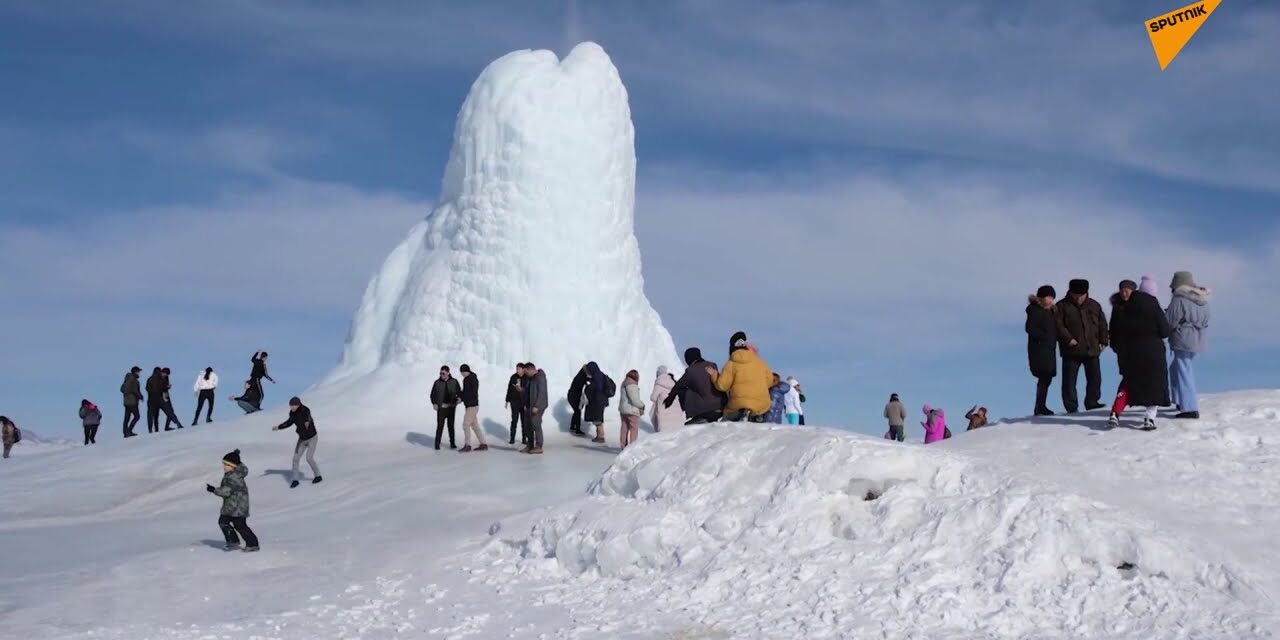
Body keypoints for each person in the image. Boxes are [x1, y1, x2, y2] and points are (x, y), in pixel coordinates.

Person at [1108, 278, 1172, 430]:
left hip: (1131, 353)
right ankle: (1149, 419)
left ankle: (1115, 413)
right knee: (1155, 385)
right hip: (1153, 352)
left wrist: (1120, 349)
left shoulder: (1121, 308)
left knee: (1128, 382)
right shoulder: (1152, 304)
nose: (1124, 293)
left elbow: (1116, 333)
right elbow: (1164, 331)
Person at [1056, 279, 1109, 414]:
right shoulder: (1061, 306)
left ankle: (1092, 402)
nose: (1079, 298)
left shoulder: (1094, 305)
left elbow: (1103, 324)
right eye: (1076, 295)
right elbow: (1058, 326)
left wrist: (1103, 340)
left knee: (1095, 378)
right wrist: (1068, 339)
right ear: (1071, 293)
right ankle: (1071, 407)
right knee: (1069, 382)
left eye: (1082, 295)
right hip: (1071, 351)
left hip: (1091, 349)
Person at [1166, 271, 1211, 420]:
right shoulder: (1202, 299)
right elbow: (1206, 319)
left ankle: (1189, 408)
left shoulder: (1178, 299)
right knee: (1176, 369)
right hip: (1197, 339)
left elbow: (1170, 321)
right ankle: (1179, 400)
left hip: (1183, 338)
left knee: (1184, 371)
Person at [206, 449, 259, 552]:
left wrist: (214, 490)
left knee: (240, 526)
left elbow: (226, 491)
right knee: (223, 522)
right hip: (231, 506)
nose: (224, 467)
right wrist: (235, 455)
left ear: (233, 466)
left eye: (227, 464)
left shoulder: (233, 477)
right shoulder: (233, 473)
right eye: (224, 464)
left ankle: (253, 544)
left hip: (238, 507)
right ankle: (233, 541)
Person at [713, 331, 773, 421]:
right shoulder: (760, 362)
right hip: (762, 403)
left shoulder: (731, 364)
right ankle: (754, 415)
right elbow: (769, 381)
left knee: (725, 423)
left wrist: (714, 375)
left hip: (739, 404)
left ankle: (745, 414)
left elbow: (722, 386)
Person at [665, 348, 724, 425]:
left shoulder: (691, 371)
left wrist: (669, 398)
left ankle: (700, 417)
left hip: (705, 409)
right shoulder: (713, 365)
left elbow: (678, 386)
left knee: (684, 390)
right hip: (720, 406)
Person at [273, 396, 321, 488]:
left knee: (309, 458)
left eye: (293, 406)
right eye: (290, 406)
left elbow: (308, 417)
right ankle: (295, 480)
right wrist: (279, 427)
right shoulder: (292, 413)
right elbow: (289, 422)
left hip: (312, 438)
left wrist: (307, 422)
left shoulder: (305, 410)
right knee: (295, 459)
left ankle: (318, 476)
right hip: (302, 439)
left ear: (298, 405)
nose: (291, 408)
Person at [1026, 286, 1059, 416]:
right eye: (1048, 297)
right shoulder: (1035, 310)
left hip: (1049, 349)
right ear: (1041, 297)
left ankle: (1040, 406)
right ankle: (1040, 407)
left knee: (1047, 378)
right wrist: (1045, 337)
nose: (1051, 300)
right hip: (1039, 350)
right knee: (1044, 377)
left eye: (1052, 298)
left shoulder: (1051, 312)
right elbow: (1030, 328)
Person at [430, 365, 462, 450]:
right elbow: (433, 394)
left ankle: (452, 443)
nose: (441, 375)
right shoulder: (437, 383)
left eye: (443, 373)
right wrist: (434, 403)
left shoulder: (454, 381)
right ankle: (437, 445)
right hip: (441, 408)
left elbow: (459, 392)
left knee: (451, 426)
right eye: (440, 373)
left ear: (448, 373)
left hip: (451, 407)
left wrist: (459, 398)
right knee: (440, 426)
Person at [458, 364, 487, 452]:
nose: (462, 374)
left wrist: (462, 398)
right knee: (474, 425)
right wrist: (461, 397)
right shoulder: (469, 378)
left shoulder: (470, 379)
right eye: (461, 372)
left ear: (466, 371)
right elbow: (466, 392)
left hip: (472, 405)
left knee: (466, 424)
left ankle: (467, 445)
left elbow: (471, 392)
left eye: (463, 372)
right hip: (471, 405)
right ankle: (483, 444)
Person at [581, 362, 612, 443]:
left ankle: (600, 437)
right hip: (601, 401)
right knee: (598, 419)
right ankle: (600, 436)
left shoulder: (596, 378)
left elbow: (594, 389)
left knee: (598, 420)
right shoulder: (600, 375)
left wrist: (588, 385)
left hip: (598, 401)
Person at [522, 362, 548, 454]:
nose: (525, 374)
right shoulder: (530, 378)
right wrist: (525, 404)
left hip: (539, 405)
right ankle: (530, 445)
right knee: (528, 424)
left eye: (526, 372)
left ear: (531, 369)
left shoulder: (540, 377)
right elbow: (528, 392)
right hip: (530, 405)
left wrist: (537, 406)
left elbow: (542, 393)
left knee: (536, 424)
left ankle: (539, 446)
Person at [649, 366, 683, 432]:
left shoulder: (659, 383)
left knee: (664, 435)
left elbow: (653, 398)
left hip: (664, 414)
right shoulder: (673, 382)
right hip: (677, 412)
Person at [617, 369, 645, 448]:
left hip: (623, 410)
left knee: (624, 428)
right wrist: (642, 405)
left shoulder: (624, 383)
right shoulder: (632, 385)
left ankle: (623, 445)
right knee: (634, 429)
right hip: (631, 410)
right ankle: (632, 447)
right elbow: (634, 400)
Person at [120, 366, 143, 438]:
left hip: (127, 401)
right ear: (135, 372)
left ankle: (126, 432)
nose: (139, 373)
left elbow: (122, 389)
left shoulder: (127, 379)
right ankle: (129, 431)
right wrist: (140, 396)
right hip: (132, 401)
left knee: (127, 417)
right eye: (138, 372)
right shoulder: (133, 380)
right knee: (137, 416)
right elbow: (134, 390)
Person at [506, 363, 526, 444]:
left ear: (523, 369)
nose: (517, 370)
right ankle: (512, 438)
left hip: (523, 402)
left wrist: (522, 389)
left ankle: (524, 438)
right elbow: (509, 388)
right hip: (514, 402)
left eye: (519, 369)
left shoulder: (526, 377)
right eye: (516, 369)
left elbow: (529, 390)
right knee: (514, 420)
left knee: (524, 421)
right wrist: (507, 400)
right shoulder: (513, 377)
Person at [567, 365, 589, 436]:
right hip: (574, 396)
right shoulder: (581, 377)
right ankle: (577, 429)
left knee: (576, 411)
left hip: (572, 395)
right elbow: (583, 383)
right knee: (578, 411)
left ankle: (573, 426)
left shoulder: (579, 376)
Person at [145, 367, 165, 433]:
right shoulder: (160, 379)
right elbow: (162, 388)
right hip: (158, 399)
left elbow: (147, 388)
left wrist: (151, 393)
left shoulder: (150, 379)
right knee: (156, 416)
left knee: (150, 415)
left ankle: (150, 429)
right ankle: (156, 429)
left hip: (150, 399)